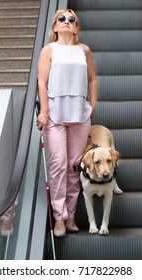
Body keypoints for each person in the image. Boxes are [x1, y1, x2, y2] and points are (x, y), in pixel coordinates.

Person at [36, 9, 97, 237]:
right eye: (62, 19)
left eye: (72, 20)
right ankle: (59, 217)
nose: (66, 22)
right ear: (54, 26)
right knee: (58, 165)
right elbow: (42, 82)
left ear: (76, 28)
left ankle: (71, 215)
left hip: (80, 115)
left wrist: (93, 104)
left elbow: (92, 79)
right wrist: (44, 111)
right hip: (55, 115)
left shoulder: (84, 51)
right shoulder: (49, 50)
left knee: (74, 166)